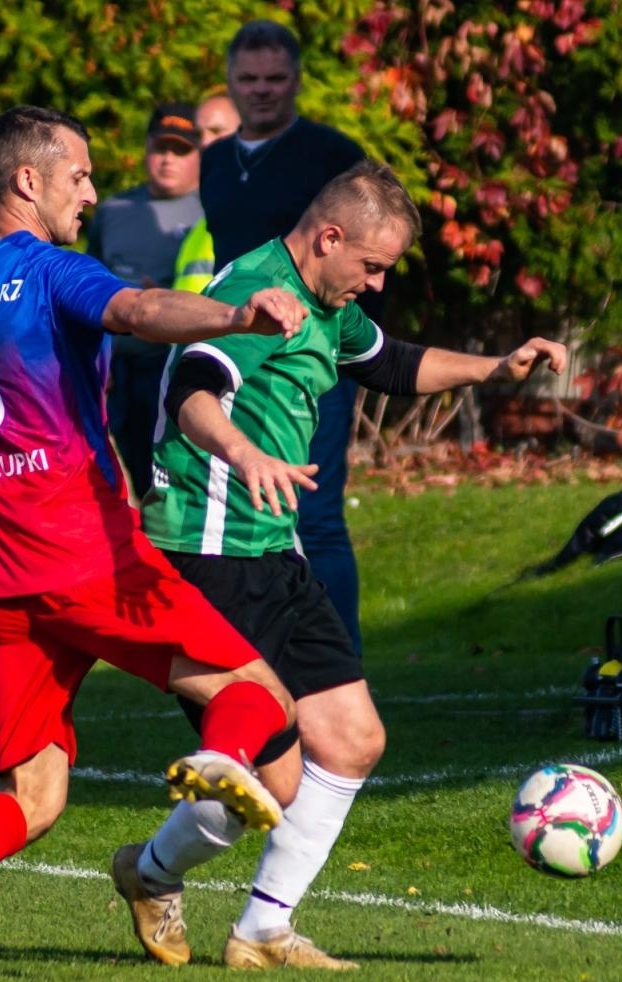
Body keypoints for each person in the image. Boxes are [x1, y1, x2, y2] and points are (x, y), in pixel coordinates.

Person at [0, 105, 308, 982]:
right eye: (77, 175)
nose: (90, 190)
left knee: (33, 799)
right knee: (259, 695)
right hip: (83, 557)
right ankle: (217, 761)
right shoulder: (50, 269)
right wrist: (236, 318)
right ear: (27, 182)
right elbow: (140, 307)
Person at [110, 161, 566, 971]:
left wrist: (496, 369)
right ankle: (150, 873)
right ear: (328, 238)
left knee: (353, 741)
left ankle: (261, 934)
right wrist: (244, 450)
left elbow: (389, 362)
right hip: (204, 557)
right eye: (373, 265)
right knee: (272, 783)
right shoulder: (260, 292)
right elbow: (194, 390)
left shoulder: (331, 303)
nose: (378, 283)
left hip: (273, 556)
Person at [200, 20, 371, 652]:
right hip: (239, 359)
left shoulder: (332, 154)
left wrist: (346, 340)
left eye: (275, 78)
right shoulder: (214, 161)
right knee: (245, 511)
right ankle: (255, 658)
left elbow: (370, 248)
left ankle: (338, 660)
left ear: (296, 80)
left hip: (310, 361)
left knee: (317, 515)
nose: (262, 91)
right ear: (230, 83)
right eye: (249, 79)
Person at [87, 102, 205, 498]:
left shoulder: (211, 211)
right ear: (145, 149)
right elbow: (91, 290)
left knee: (183, 478)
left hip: (180, 367)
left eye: (181, 150)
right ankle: (155, 553)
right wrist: (100, 361)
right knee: (143, 480)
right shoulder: (114, 211)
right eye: (161, 148)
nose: (168, 160)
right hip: (123, 369)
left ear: (199, 155)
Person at [173, 95, 242, 297]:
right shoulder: (204, 221)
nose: (204, 142)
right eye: (197, 134)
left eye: (217, 131)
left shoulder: (266, 203)